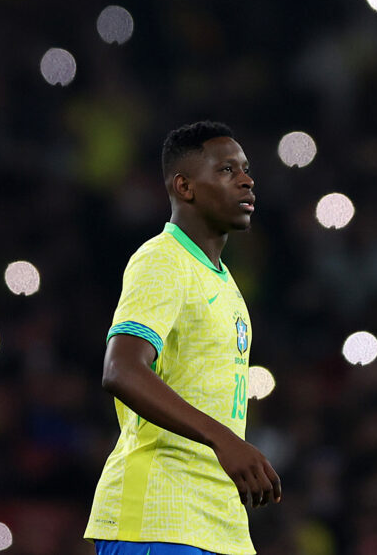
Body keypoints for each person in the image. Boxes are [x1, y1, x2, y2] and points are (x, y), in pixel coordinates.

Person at [85, 121, 282, 555]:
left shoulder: (223, 280)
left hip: (217, 523)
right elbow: (121, 369)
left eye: (246, 169)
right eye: (227, 170)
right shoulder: (162, 259)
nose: (247, 180)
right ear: (185, 186)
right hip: (158, 518)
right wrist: (225, 440)